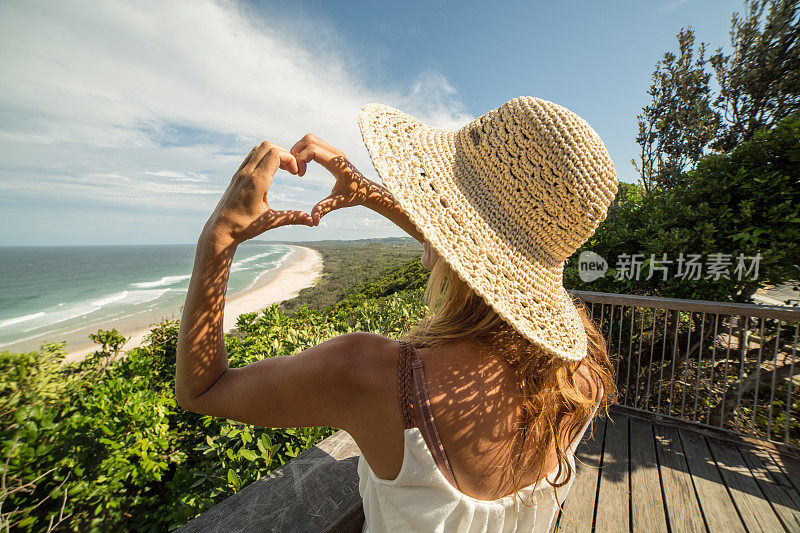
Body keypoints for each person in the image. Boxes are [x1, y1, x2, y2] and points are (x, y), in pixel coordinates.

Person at [175, 96, 618, 532]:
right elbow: (465, 250)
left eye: (441, 201)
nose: (428, 219)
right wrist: (366, 192)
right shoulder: (582, 375)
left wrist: (220, 237)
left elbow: (204, 390)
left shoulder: (372, 373)